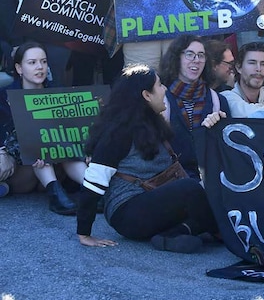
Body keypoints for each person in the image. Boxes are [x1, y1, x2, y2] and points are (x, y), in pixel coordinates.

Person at [76, 64, 219, 253]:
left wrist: (215, 125)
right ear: (146, 95)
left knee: (213, 190)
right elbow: (93, 183)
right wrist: (84, 234)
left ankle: (172, 234)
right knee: (191, 189)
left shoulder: (153, 122)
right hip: (127, 213)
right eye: (160, 86)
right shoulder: (119, 132)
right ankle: (223, 233)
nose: (165, 90)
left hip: (155, 201)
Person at [0, 42, 87, 213]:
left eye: (44, 62)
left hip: (56, 163)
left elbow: (73, 133)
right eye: (32, 62)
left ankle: (93, 189)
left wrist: (85, 149)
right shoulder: (4, 97)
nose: (40, 67)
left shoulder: (59, 94)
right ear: (19, 68)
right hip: (19, 166)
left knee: (55, 142)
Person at [159, 36, 228, 179]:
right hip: (173, 182)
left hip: (211, 181)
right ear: (177, 57)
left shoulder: (218, 101)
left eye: (201, 55)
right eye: (189, 54)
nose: (196, 60)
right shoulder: (161, 99)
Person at [223, 42, 264, 118]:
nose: (258, 69)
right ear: (239, 67)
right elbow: (248, 113)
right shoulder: (227, 97)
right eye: (252, 63)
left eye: (263, 64)